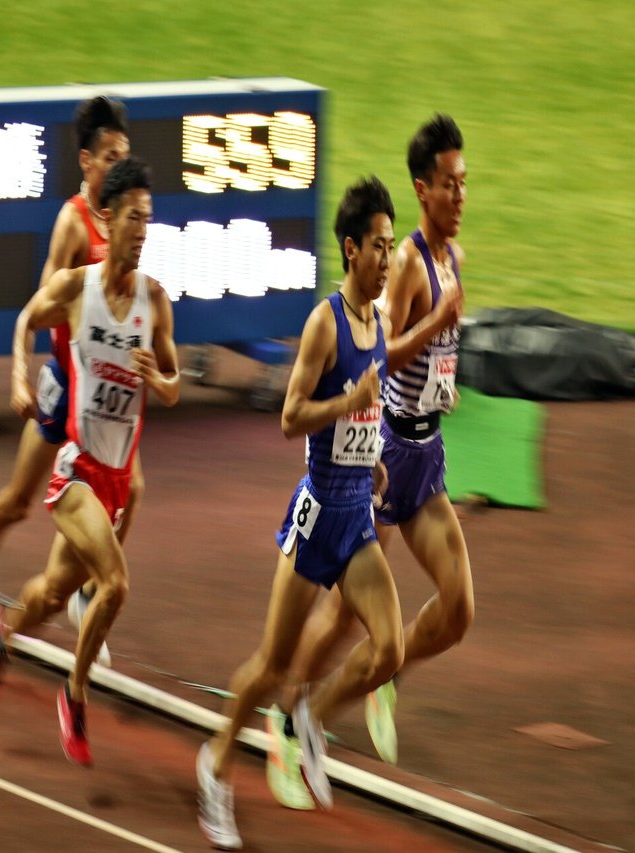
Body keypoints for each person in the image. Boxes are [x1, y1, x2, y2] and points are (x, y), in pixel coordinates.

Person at [268, 115, 473, 809]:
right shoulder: (409, 262)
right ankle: (290, 712)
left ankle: (381, 675)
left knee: (458, 608)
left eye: (464, 182)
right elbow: (378, 350)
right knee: (340, 616)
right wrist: (437, 325)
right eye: (449, 183)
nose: (460, 194)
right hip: (382, 447)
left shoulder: (454, 259)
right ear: (423, 189)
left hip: (426, 453)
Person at [196, 176, 404, 850]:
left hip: (357, 516)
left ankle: (307, 716)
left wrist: (368, 454)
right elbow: (289, 417)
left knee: (389, 647)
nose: (386, 256)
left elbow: (362, 414)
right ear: (350, 249)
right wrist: (346, 407)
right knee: (269, 662)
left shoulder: (381, 323)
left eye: (391, 245)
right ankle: (216, 764)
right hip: (316, 517)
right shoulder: (327, 321)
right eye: (377, 245)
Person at [0, 156, 179, 767]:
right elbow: (23, 321)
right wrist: (17, 375)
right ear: (108, 219)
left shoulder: (155, 301)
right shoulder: (75, 289)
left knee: (53, 597)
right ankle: (75, 694)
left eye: (150, 219)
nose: (143, 230)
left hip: (116, 479)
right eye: (134, 218)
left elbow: (171, 386)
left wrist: (158, 379)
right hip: (76, 470)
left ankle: (1, 634)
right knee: (114, 586)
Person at [0, 96, 141, 662]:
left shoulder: (124, 221)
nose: (117, 167)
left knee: (133, 489)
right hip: (66, 388)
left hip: (105, 398)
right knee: (16, 502)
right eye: (109, 157)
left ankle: (86, 594)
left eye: (123, 156)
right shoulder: (73, 222)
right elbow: (42, 302)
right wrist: (27, 374)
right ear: (86, 161)